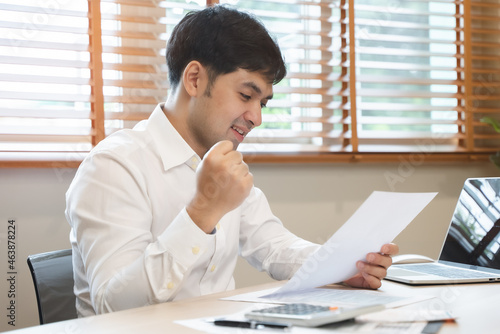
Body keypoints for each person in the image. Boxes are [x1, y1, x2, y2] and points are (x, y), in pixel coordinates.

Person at [65, 5, 398, 317]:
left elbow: (273, 246)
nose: (256, 117)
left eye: (263, 103)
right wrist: (202, 211)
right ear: (194, 79)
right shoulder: (113, 166)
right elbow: (113, 306)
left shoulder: (221, 160)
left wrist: (341, 266)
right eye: (246, 95)